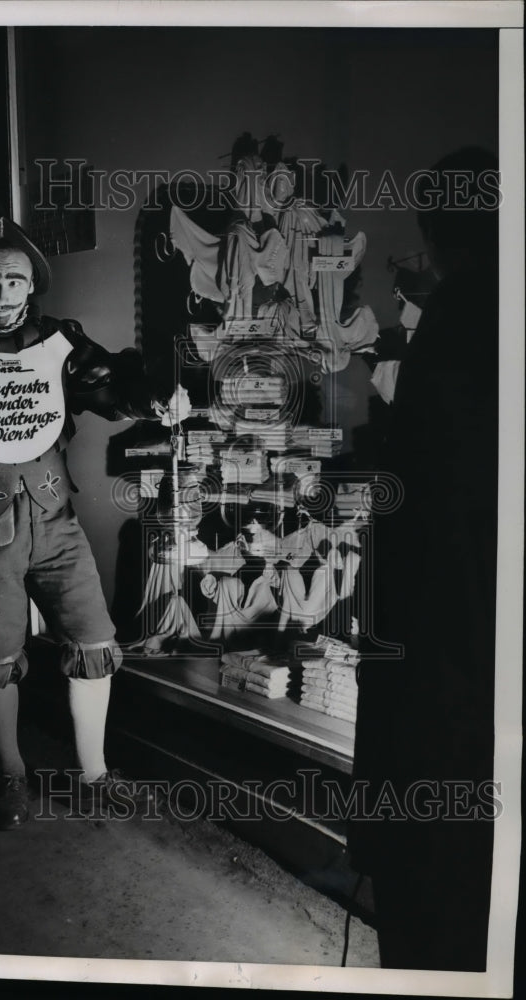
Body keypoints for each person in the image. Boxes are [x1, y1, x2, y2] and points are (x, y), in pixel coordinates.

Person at [0, 218, 185, 829]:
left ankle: (94, 773)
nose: (2, 294)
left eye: (15, 280)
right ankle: (10, 774)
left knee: (93, 638)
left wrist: (151, 399)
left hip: (56, 516)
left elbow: (109, 387)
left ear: (32, 287)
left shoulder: (56, 341)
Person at [349, 148, 499, 970]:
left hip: (440, 656)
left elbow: (423, 493)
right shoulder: (475, 312)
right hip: (467, 649)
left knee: (435, 893)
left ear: (435, 235)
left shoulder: (461, 319)